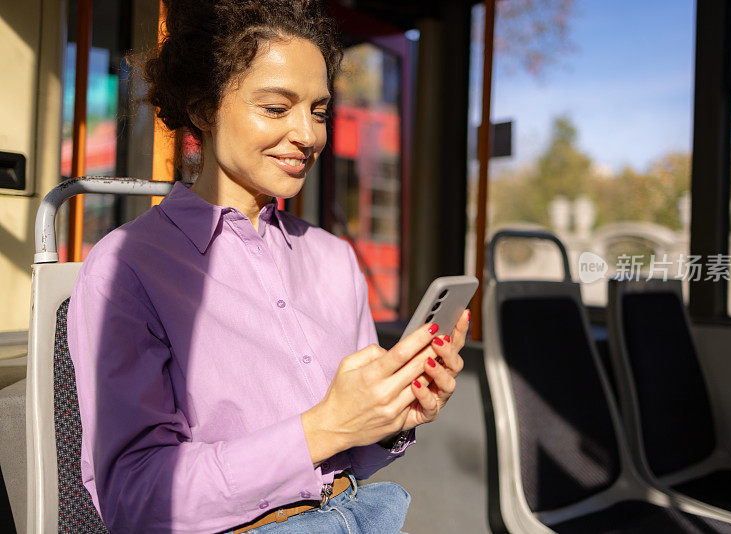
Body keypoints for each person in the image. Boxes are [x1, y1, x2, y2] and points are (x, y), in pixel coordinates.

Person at [66, 0, 469, 532]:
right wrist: (323, 428)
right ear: (203, 107)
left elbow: (347, 458)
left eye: (319, 110)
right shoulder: (126, 269)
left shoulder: (334, 259)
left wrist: (392, 418)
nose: (309, 135)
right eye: (277, 109)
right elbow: (136, 499)